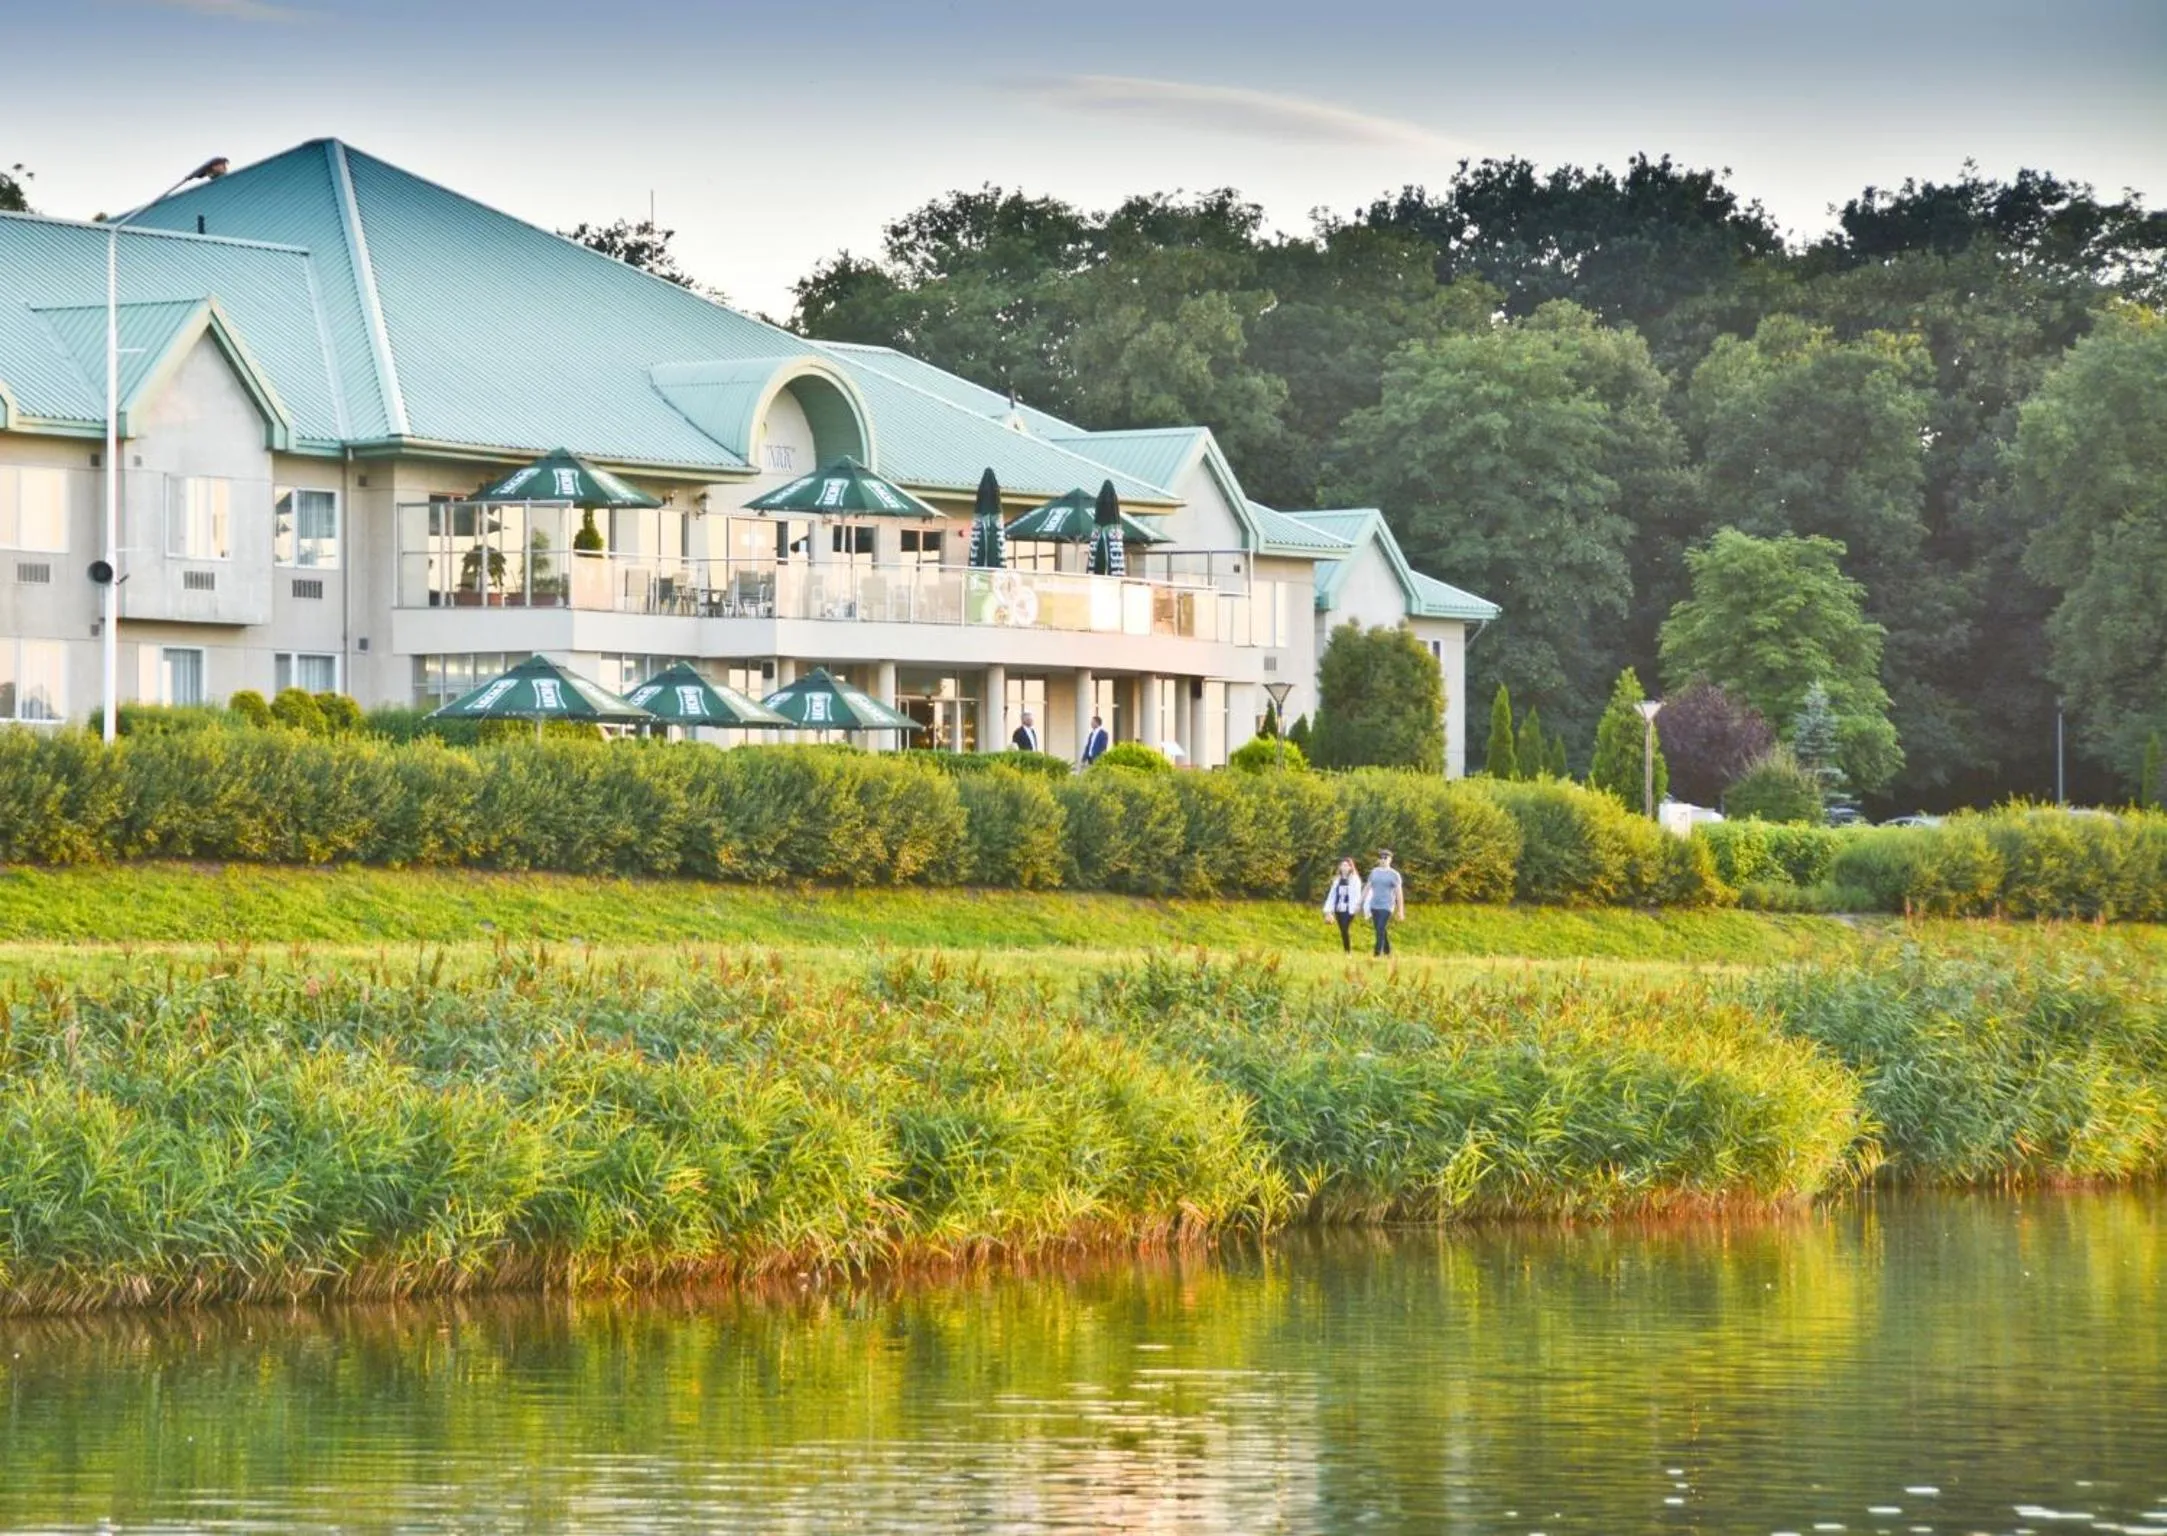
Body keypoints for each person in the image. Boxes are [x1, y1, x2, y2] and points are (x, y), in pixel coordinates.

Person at [1365, 849, 1405, 957]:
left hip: (1387, 906)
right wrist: (1360, 902)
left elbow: (1399, 894)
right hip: (1374, 905)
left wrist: (1400, 911)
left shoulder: (1394, 875)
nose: (1383, 860)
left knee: (1380, 928)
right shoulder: (1374, 872)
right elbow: (1367, 887)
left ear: (1390, 860)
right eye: (1381, 858)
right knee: (1380, 929)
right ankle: (1388, 952)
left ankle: (1376, 954)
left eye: (1385, 858)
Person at [1320, 856, 1363, 953]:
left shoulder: (1355, 880)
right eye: (1343, 865)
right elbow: (1332, 895)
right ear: (1340, 867)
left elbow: (1357, 895)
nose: (1344, 867)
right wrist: (1328, 911)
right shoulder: (1337, 880)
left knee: (1344, 927)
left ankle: (1348, 951)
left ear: (1351, 867)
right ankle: (1347, 950)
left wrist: (1358, 905)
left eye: (1347, 865)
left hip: (1350, 909)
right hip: (1339, 908)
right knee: (1343, 930)